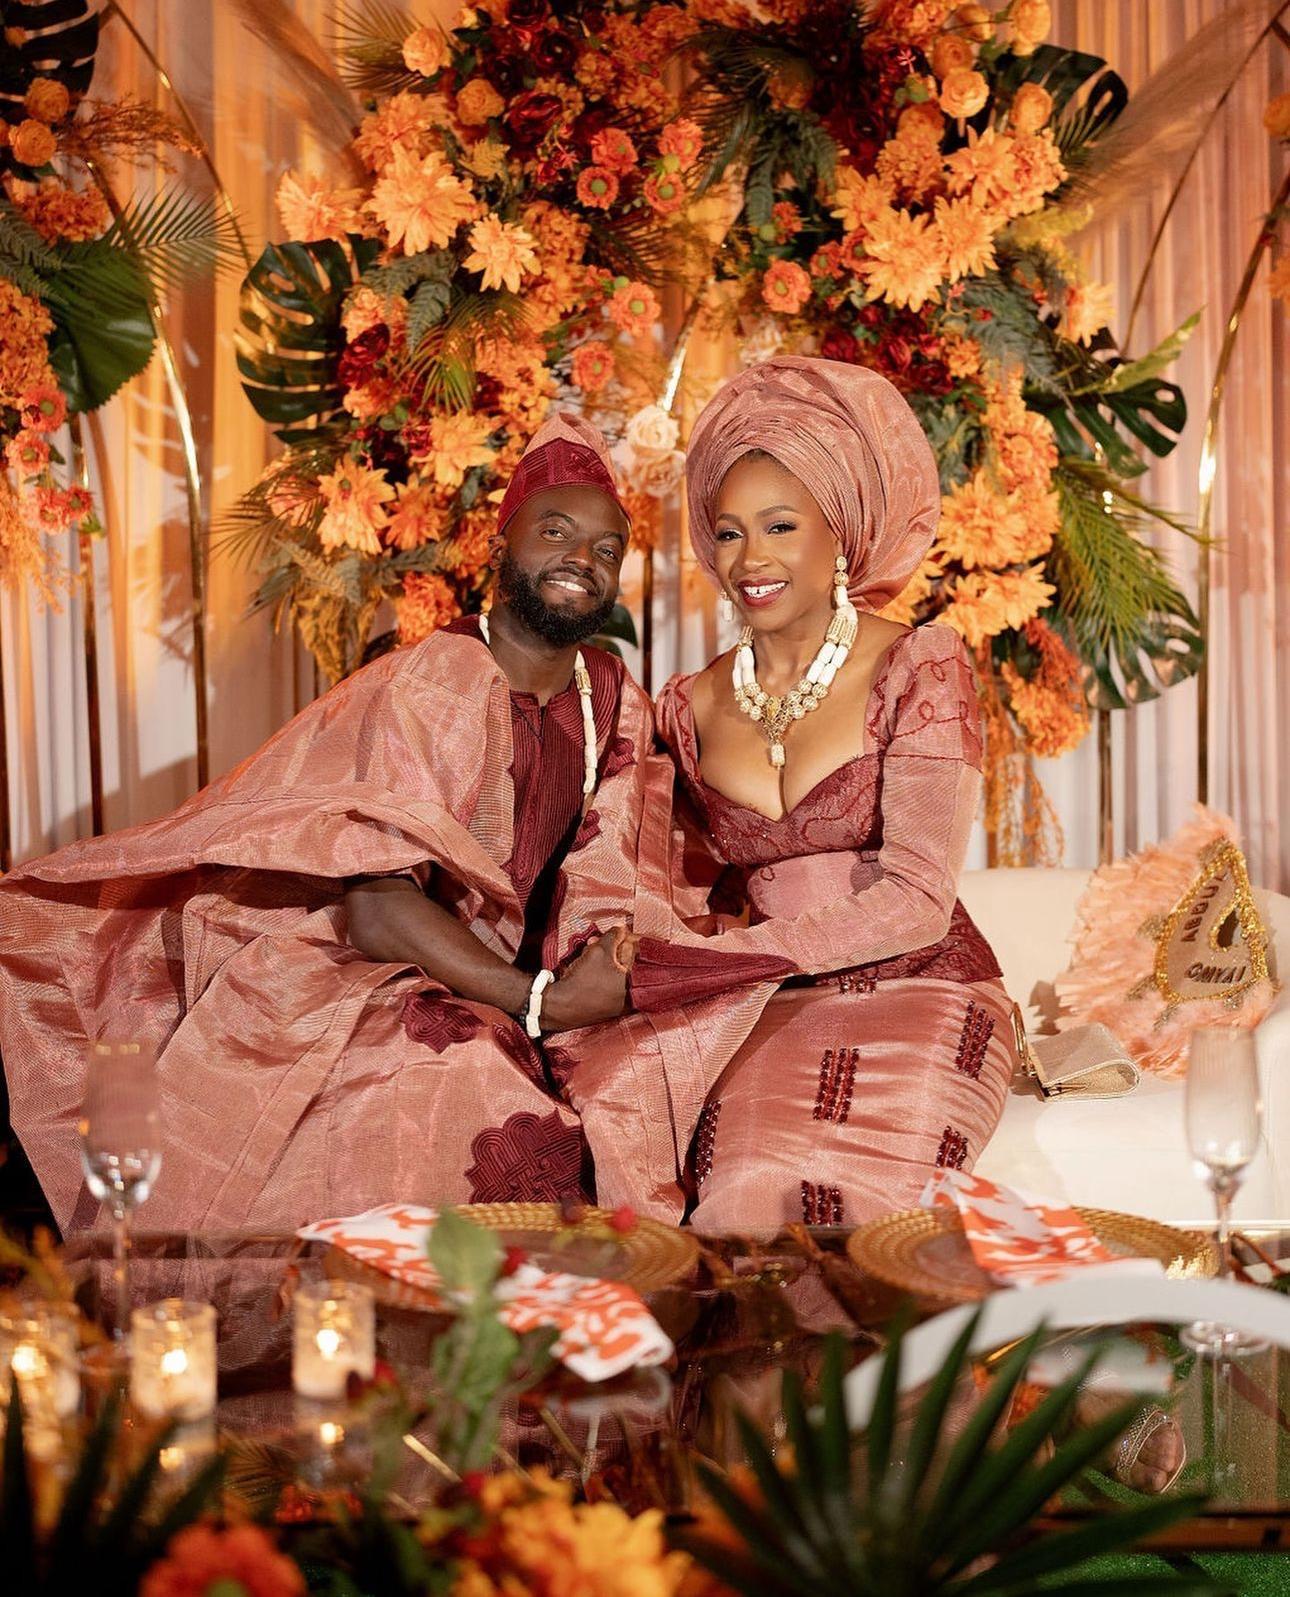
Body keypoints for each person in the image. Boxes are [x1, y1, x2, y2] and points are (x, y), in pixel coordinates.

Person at [0, 414, 649, 1234]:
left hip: (545, 979)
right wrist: (539, 1003)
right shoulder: (440, 678)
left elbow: (630, 863)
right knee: (450, 1074)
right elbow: (377, 910)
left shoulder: (614, 694)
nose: (582, 557)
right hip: (375, 962)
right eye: (555, 531)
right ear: (497, 545)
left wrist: (605, 970)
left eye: (605, 548)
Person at [618, 355, 1020, 1231]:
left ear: (839, 535)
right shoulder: (685, 705)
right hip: (766, 1006)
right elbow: (670, 883)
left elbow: (918, 898)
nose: (751, 559)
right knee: (739, 1196)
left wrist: (731, 960)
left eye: (780, 525)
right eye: (729, 533)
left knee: (855, 1219)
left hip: (923, 989)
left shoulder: (919, 663)